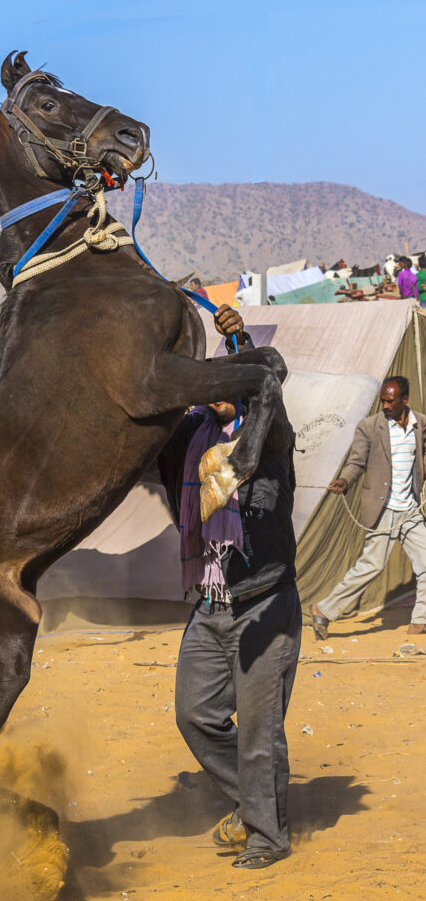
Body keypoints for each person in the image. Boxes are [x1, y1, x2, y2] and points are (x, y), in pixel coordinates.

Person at [158, 305, 301, 871]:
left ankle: (268, 835)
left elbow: (270, 385)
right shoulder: (190, 438)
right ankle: (253, 800)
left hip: (265, 603)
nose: (218, 392)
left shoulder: (270, 439)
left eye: (229, 383)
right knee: (195, 714)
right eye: (210, 383)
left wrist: (237, 339)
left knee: (259, 732)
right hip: (210, 605)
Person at [312, 376, 426, 638]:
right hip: (382, 508)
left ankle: (419, 621)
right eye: (383, 400)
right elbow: (356, 461)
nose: (385, 405)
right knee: (371, 566)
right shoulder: (369, 427)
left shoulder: (420, 423)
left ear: (404, 400)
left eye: (390, 401)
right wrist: (345, 479)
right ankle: (324, 609)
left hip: (409, 509)